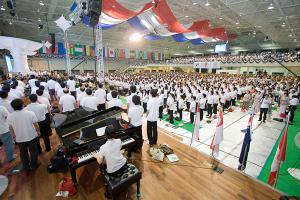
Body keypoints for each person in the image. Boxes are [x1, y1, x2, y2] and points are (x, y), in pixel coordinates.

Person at [8, 99, 40, 170]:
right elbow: (36, 124)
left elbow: (10, 128)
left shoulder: (10, 116)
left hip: (19, 138)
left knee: (23, 152)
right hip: (31, 135)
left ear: (13, 107)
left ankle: (26, 166)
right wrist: (38, 132)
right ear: (23, 105)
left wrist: (13, 136)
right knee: (33, 151)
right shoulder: (30, 113)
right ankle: (34, 165)